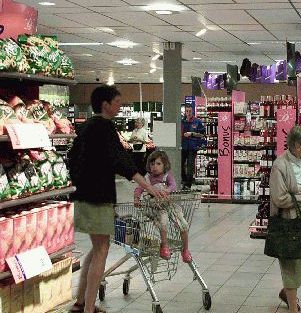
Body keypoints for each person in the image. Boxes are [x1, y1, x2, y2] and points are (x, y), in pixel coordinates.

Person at [68, 85, 168, 313]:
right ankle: (89, 309)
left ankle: (81, 303)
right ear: (105, 104)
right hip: (97, 198)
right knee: (102, 249)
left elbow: (74, 159)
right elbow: (121, 162)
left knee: (96, 249)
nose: (120, 106)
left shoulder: (86, 128)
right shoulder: (104, 127)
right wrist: (149, 187)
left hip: (83, 195)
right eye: (117, 102)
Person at [269, 126, 301, 313]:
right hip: (289, 219)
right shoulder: (280, 166)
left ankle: (286, 292)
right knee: (291, 260)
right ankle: (293, 309)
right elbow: (280, 199)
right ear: (297, 145)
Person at [133, 150, 192, 263]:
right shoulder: (147, 178)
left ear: (165, 165)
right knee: (163, 219)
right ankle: (164, 246)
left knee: (183, 224)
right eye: (152, 164)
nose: (155, 167)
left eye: (158, 164)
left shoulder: (167, 175)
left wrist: (168, 190)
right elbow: (139, 188)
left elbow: (173, 185)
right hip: (155, 207)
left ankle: (185, 250)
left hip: (169, 204)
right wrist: (136, 198)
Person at [181, 106, 205, 190]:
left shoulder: (197, 122)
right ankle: (183, 181)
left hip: (192, 146)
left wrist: (192, 134)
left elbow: (202, 134)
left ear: (193, 112)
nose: (188, 113)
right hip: (182, 146)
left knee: (190, 165)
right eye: (187, 111)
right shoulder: (182, 122)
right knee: (180, 165)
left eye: (190, 111)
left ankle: (188, 184)